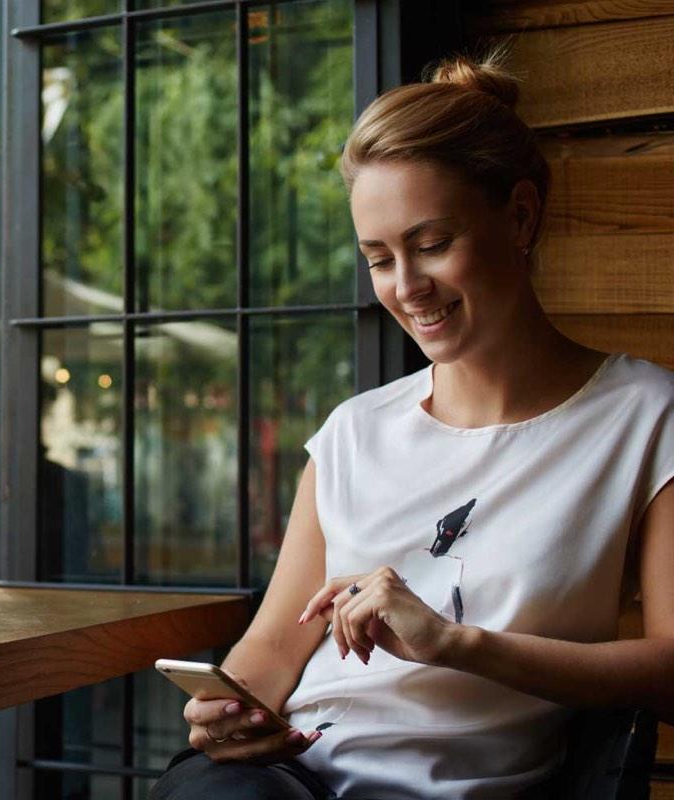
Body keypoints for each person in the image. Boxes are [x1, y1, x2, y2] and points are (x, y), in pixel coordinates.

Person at [153, 52, 674, 800]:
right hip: (288, 780)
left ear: (520, 217)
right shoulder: (352, 433)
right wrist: (231, 713)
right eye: (378, 259)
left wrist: (457, 644)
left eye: (432, 245)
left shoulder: (643, 416)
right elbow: (274, 644)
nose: (407, 288)